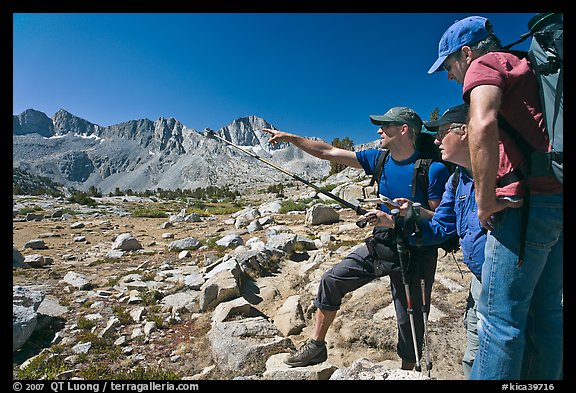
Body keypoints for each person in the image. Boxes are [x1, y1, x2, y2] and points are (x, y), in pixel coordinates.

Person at [262, 107, 450, 370]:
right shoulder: (379, 159)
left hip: (416, 252)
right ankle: (317, 346)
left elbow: (438, 220)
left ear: (404, 129)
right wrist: (290, 137)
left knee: (412, 321)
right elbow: (328, 152)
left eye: (385, 125)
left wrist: (404, 214)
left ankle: (410, 371)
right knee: (331, 280)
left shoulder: (434, 170)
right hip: (382, 244)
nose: (379, 130)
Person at [428, 16, 563, 380]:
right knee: (547, 313)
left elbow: (483, 123)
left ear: (467, 53)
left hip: (522, 205)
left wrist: (485, 201)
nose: (449, 75)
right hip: (556, 198)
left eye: (449, 64)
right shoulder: (529, 65)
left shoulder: (486, 65)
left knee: (498, 320)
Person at [392, 103, 490, 378]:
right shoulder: (457, 181)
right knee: (473, 351)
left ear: (464, 132)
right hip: (478, 281)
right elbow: (441, 226)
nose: (435, 141)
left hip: (503, 281)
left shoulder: (498, 173)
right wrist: (404, 219)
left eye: (441, 133)